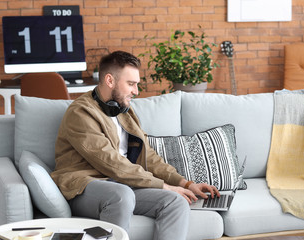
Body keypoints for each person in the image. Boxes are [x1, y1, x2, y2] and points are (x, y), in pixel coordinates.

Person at [51, 51, 220, 240]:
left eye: (136, 84)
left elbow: (148, 156)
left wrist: (185, 183)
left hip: (121, 184)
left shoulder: (124, 111)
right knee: (121, 195)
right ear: (109, 80)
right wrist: (163, 186)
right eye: (131, 84)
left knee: (176, 202)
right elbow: (111, 162)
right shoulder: (81, 112)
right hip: (84, 187)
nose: (136, 91)